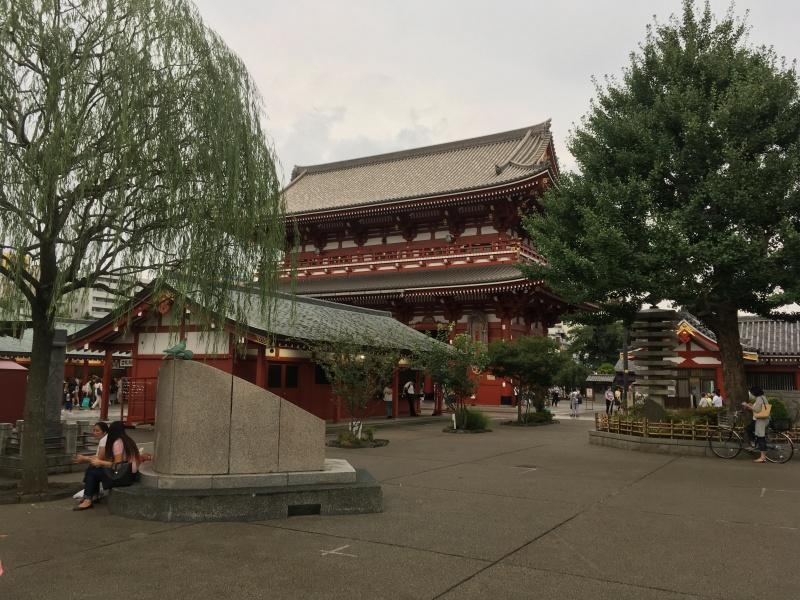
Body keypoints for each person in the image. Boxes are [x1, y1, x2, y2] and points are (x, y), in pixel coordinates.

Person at [74, 421, 140, 510]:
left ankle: (88, 499)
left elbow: (117, 465)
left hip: (124, 475)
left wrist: (101, 463)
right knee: (94, 469)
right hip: (131, 473)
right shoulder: (128, 440)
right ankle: (91, 496)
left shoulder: (118, 443)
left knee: (93, 472)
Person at [742, 386, 770, 463]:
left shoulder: (759, 398)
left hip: (761, 420)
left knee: (761, 438)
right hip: (764, 419)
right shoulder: (763, 397)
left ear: (755, 392)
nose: (751, 394)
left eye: (751, 392)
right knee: (759, 437)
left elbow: (757, 410)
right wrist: (752, 405)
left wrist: (747, 405)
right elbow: (760, 408)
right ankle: (756, 447)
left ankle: (762, 457)